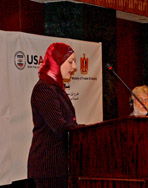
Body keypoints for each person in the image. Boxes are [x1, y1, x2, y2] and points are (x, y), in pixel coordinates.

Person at [28, 42, 79, 188]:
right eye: (70, 62)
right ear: (56, 62)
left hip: (60, 167)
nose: (74, 67)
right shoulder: (44, 88)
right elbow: (59, 127)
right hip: (48, 169)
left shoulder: (56, 88)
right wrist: (85, 131)